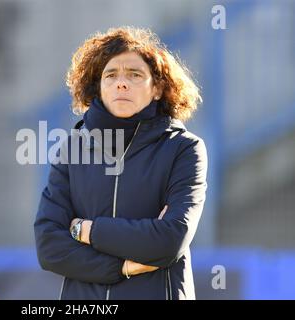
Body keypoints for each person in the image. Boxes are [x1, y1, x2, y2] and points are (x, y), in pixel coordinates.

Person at [34, 26, 208, 300]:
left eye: (135, 75)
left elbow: (169, 239)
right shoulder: (71, 148)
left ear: (158, 89)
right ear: (98, 89)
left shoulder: (184, 148)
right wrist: (122, 267)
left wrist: (85, 230)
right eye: (110, 75)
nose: (121, 83)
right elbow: (50, 247)